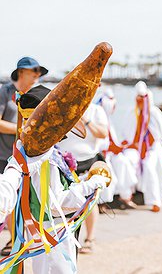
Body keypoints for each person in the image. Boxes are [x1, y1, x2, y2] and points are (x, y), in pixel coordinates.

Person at [2, 85, 109, 273]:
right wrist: (92, 184)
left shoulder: (35, 154)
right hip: (52, 231)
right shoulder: (43, 159)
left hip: (48, 230)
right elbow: (55, 203)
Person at [0, 57, 48, 256]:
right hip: (5, 155)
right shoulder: (5, 92)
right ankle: (14, 240)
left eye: (39, 71)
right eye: (33, 70)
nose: (37, 74)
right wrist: (23, 131)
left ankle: (22, 239)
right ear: (21, 71)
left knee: (29, 199)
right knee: (8, 197)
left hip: (30, 156)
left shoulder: (36, 94)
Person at [57, 102, 109, 254]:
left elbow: (103, 133)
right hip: (64, 162)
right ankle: (65, 238)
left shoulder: (96, 110)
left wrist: (85, 119)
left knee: (90, 202)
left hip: (88, 160)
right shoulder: (63, 106)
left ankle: (90, 238)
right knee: (64, 202)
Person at [123, 81, 162, 212]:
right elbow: (127, 133)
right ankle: (126, 196)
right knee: (126, 162)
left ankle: (155, 201)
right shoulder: (132, 112)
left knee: (150, 166)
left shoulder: (154, 112)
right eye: (138, 97)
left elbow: (161, 132)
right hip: (135, 148)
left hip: (153, 148)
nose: (140, 100)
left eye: (143, 97)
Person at [96, 88, 138, 208]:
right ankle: (101, 203)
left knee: (124, 163)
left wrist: (120, 147)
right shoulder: (99, 118)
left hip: (111, 154)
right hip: (101, 155)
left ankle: (125, 197)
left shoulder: (108, 119)